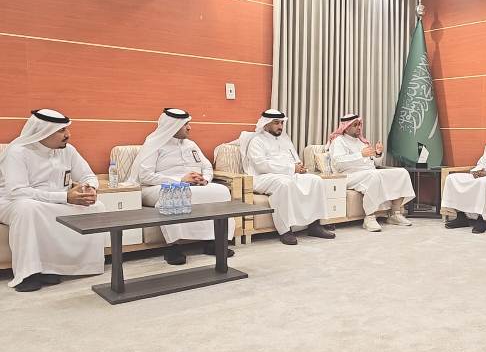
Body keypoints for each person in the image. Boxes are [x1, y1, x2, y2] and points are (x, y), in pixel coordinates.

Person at [0, 109, 106, 292]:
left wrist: (90, 188)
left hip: (55, 201)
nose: (68, 135)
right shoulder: (17, 152)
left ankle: (55, 268)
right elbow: (17, 191)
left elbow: (88, 175)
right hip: (13, 202)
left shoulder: (68, 150)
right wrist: (65, 197)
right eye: (62, 130)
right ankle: (29, 274)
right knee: (27, 209)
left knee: (97, 207)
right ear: (44, 131)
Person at [128, 108, 235, 265]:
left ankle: (213, 241)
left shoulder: (191, 144)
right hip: (157, 187)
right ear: (173, 125)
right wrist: (179, 180)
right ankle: (173, 246)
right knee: (176, 193)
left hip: (193, 185)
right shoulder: (154, 144)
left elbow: (207, 167)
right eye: (185, 124)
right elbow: (146, 176)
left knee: (221, 191)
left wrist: (205, 179)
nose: (189, 128)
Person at [239, 109, 335, 245]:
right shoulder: (257, 141)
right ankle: (285, 231)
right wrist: (291, 168)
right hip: (263, 177)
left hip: (288, 174)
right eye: (276, 123)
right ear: (266, 124)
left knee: (316, 180)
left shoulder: (285, 139)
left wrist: (299, 167)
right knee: (285, 184)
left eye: (282, 123)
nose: (280, 126)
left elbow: (295, 159)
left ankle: (315, 225)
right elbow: (261, 166)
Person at [328, 113, 415, 232]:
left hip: (368, 172)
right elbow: (338, 163)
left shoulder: (361, 142)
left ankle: (395, 213)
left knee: (402, 172)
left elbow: (373, 162)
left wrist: (378, 154)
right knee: (373, 175)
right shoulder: (339, 141)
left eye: (359, 124)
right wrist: (360, 155)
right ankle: (369, 217)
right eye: (355, 125)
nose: (359, 127)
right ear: (346, 127)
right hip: (348, 175)